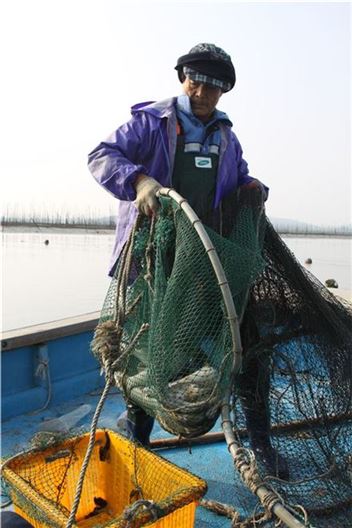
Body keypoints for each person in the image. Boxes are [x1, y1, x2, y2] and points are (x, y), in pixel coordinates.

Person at [88, 43, 288, 479]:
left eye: (215, 85)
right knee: (145, 351)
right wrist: (138, 180)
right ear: (182, 76)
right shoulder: (150, 122)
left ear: (224, 92)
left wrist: (252, 185)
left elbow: (237, 177)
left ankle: (263, 447)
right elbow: (101, 156)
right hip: (151, 262)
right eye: (196, 78)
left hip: (204, 265)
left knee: (252, 346)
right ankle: (138, 447)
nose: (203, 90)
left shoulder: (225, 137)